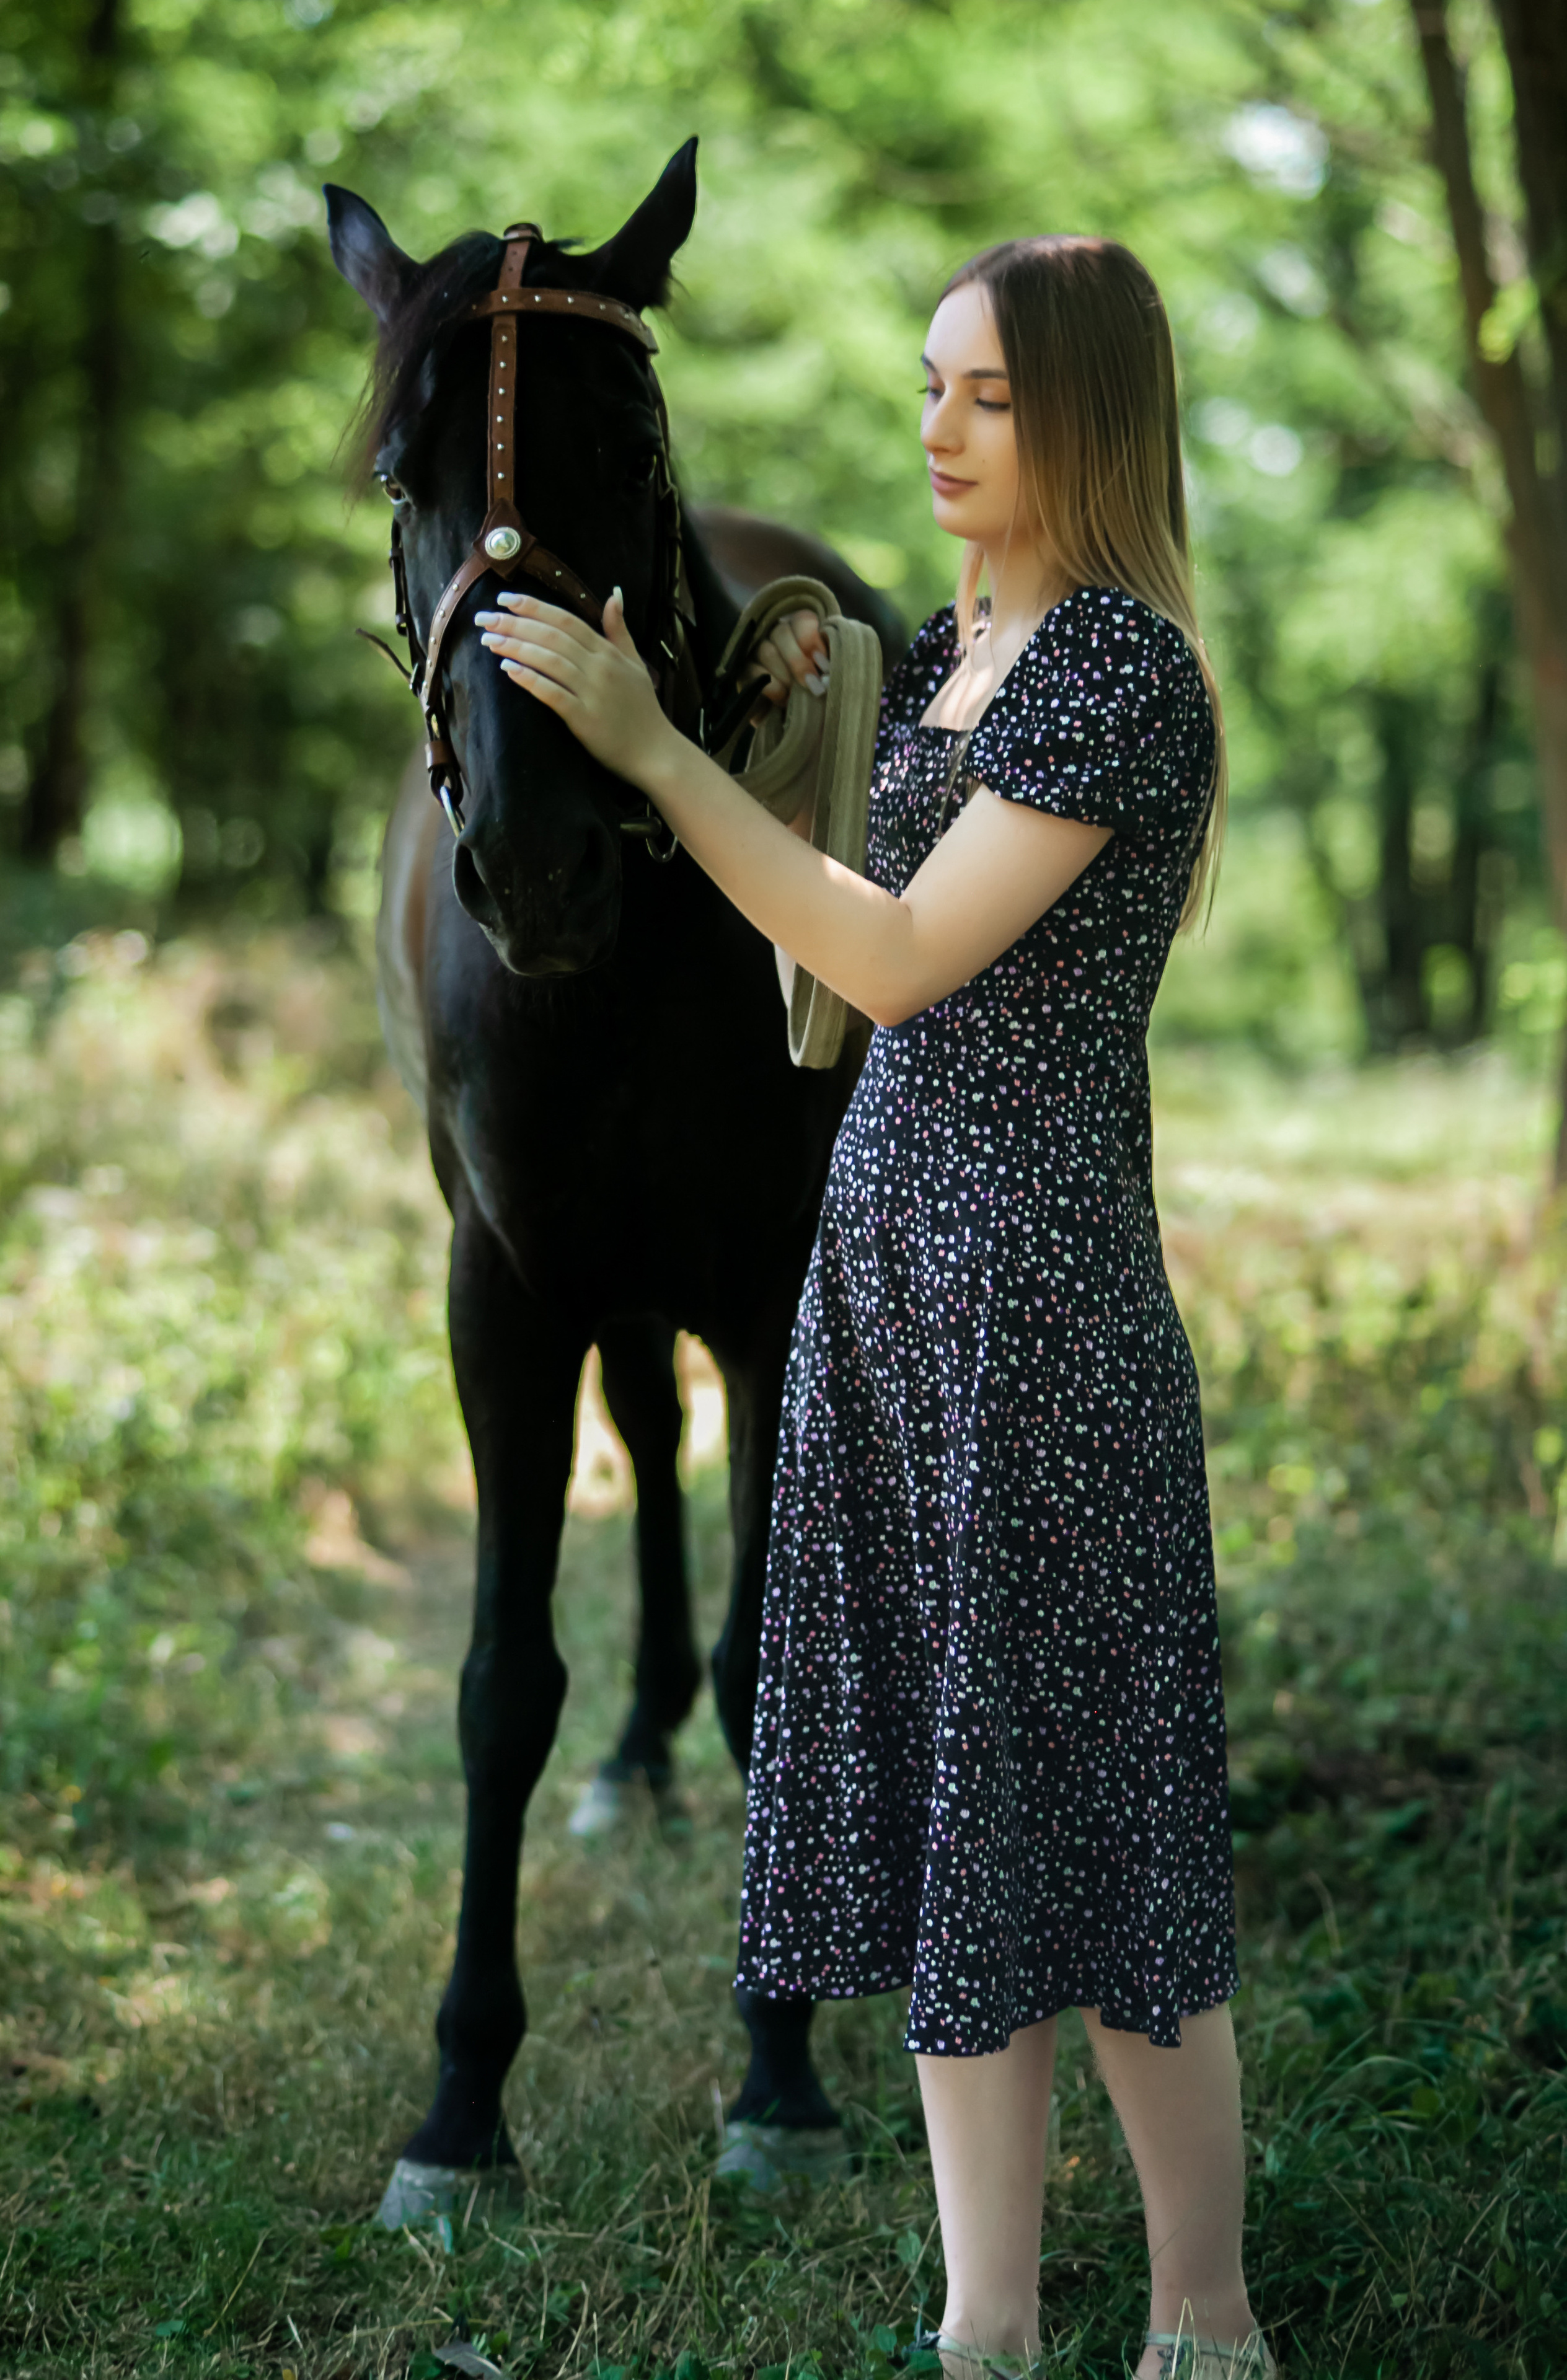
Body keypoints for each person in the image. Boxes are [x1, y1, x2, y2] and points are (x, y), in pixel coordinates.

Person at [475, 234, 1273, 2380]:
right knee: (947, 1829)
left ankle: (1206, 2318)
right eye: (931, 384)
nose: (937, 428)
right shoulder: (960, 645)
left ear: (1089, 414)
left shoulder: (1119, 669)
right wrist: (751, 727)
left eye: (989, 396)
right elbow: (831, 930)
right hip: (889, 1285)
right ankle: (980, 2329)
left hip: (1037, 1303)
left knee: (1095, 1814)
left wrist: (659, 753)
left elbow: (905, 955)